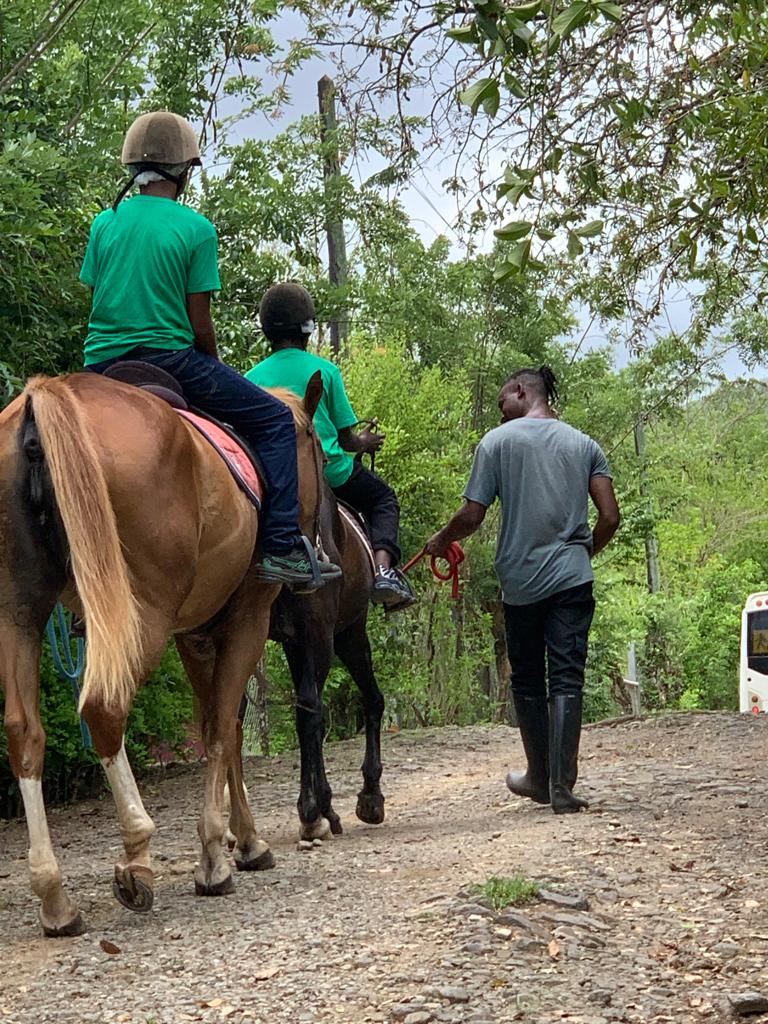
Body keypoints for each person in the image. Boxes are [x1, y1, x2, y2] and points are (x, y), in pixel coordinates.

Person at [79, 111, 339, 591]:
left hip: (100, 367)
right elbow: (200, 321)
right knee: (277, 422)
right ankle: (282, 547)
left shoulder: (104, 223)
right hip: (169, 358)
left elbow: (96, 296)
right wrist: (213, 363)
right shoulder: (196, 229)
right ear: (183, 171)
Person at [425, 366, 620, 814]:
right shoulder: (584, 445)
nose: (501, 414)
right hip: (573, 579)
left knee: (529, 679)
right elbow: (609, 515)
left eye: (502, 405)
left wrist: (441, 539)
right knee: (568, 675)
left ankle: (538, 775)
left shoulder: (496, 444)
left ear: (519, 391)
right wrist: (582, 555)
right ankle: (562, 789)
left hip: (521, 584)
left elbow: (472, 516)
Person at [246, 282, 414, 608]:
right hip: (329, 473)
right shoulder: (326, 371)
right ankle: (383, 573)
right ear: (308, 331)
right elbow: (347, 437)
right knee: (383, 499)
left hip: (270, 477)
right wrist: (365, 442)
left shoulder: (251, 378)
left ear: (266, 331)